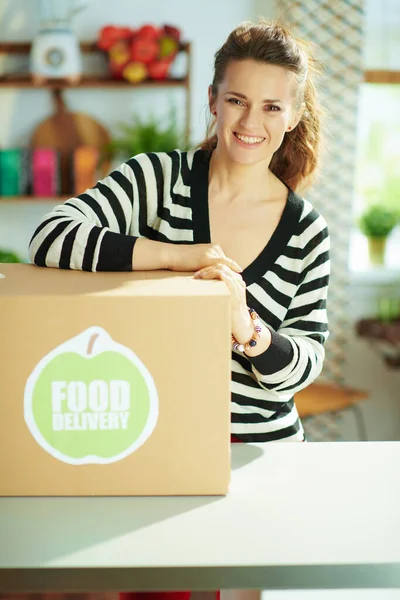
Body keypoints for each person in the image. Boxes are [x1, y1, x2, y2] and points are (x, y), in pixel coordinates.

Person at [29, 17, 330, 600]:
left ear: (292, 117)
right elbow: (51, 235)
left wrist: (246, 328)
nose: (250, 122)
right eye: (237, 100)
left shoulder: (306, 231)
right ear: (212, 99)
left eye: (272, 107)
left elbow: (306, 364)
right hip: (157, 442)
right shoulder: (158, 180)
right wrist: (174, 256)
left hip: (259, 457)